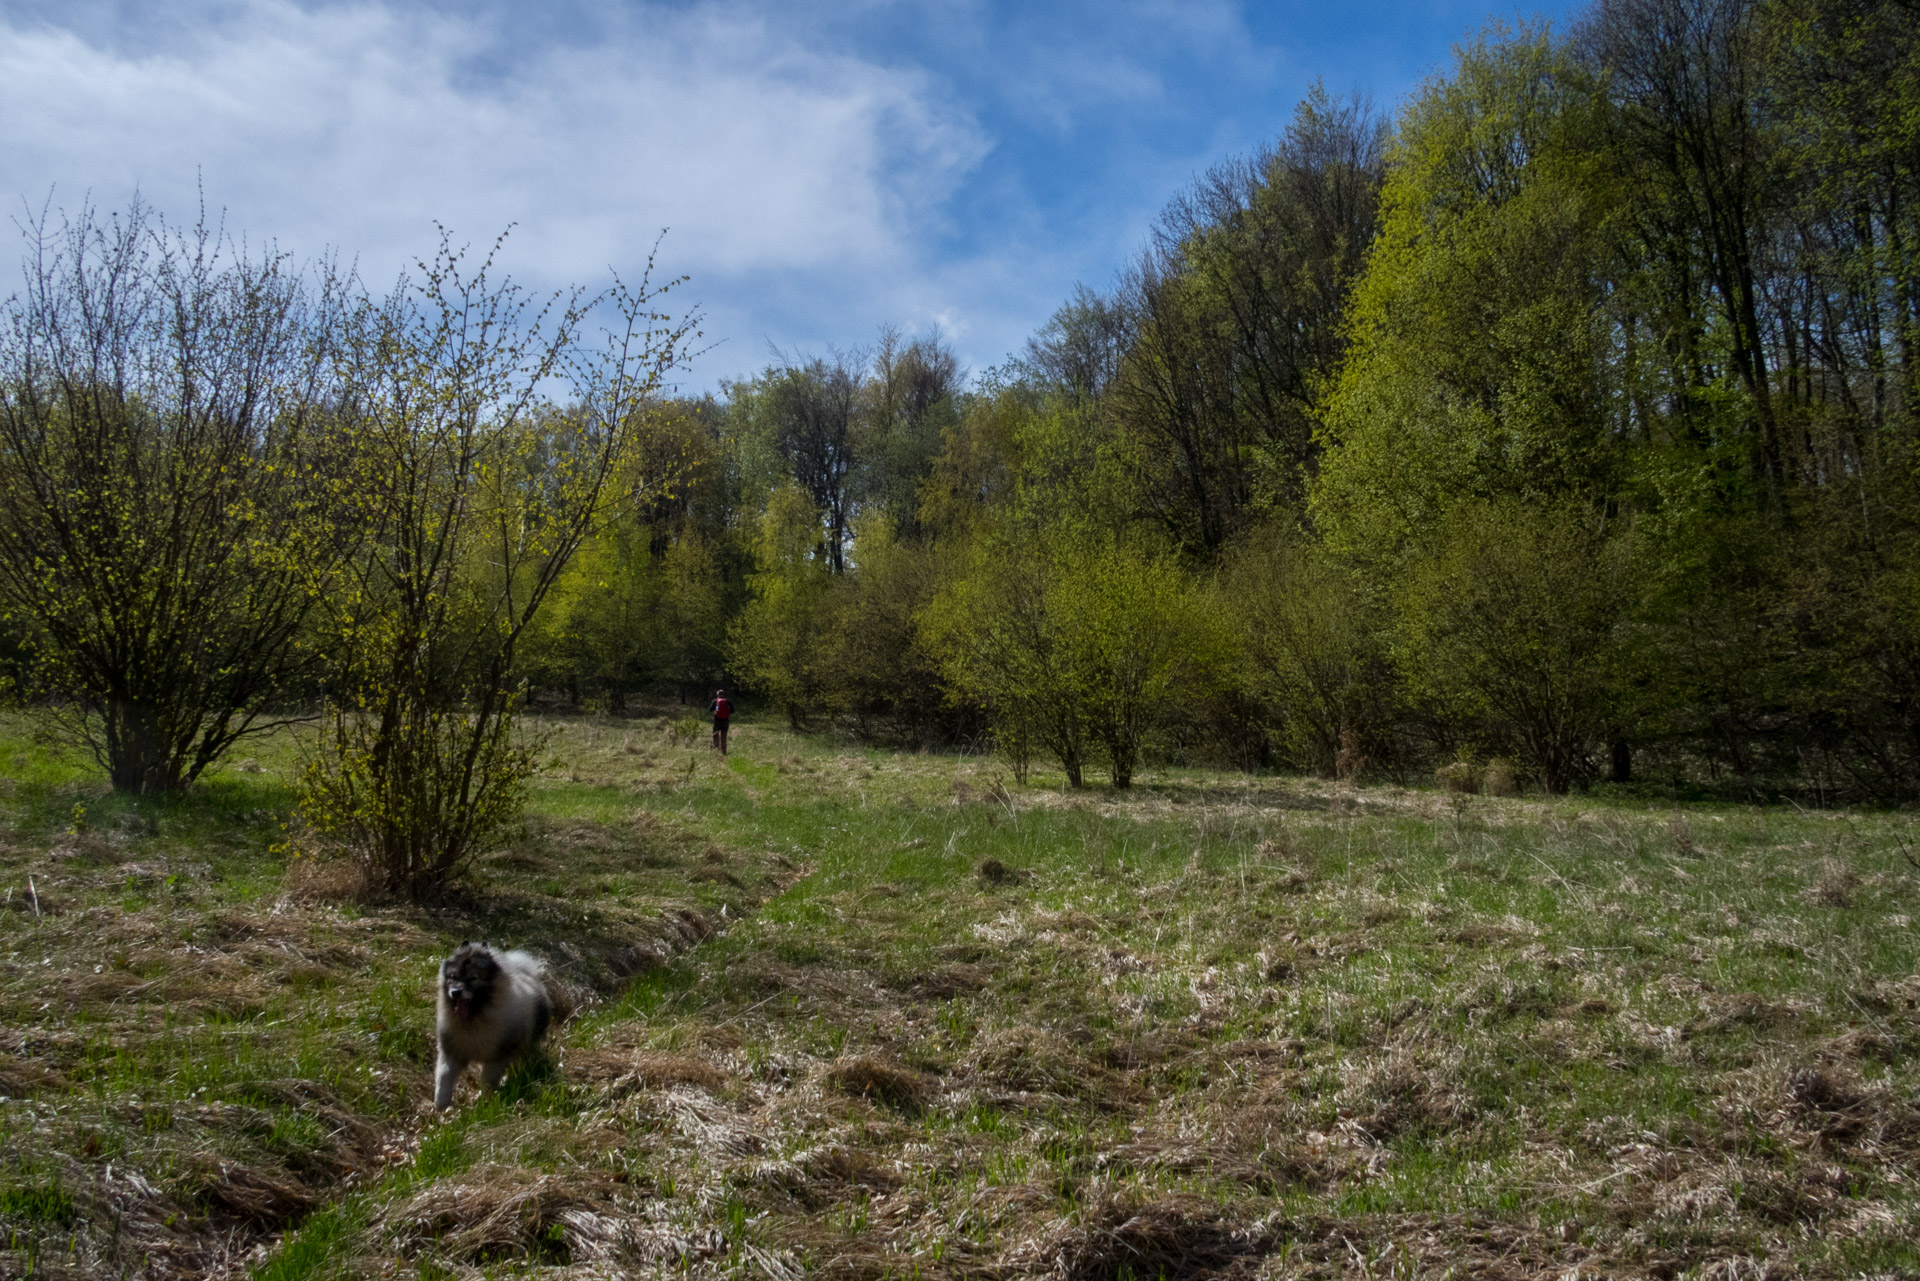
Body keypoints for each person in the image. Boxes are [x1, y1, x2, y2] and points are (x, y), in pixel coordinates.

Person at [709, 689, 733, 754]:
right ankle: (723, 751)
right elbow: (732, 710)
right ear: (723, 694)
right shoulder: (728, 701)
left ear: (717, 694)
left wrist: (716, 710)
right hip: (726, 721)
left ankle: (715, 749)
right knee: (724, 735)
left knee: (715, 734)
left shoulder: (715, 701)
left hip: (717, 720)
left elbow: (710, 709)